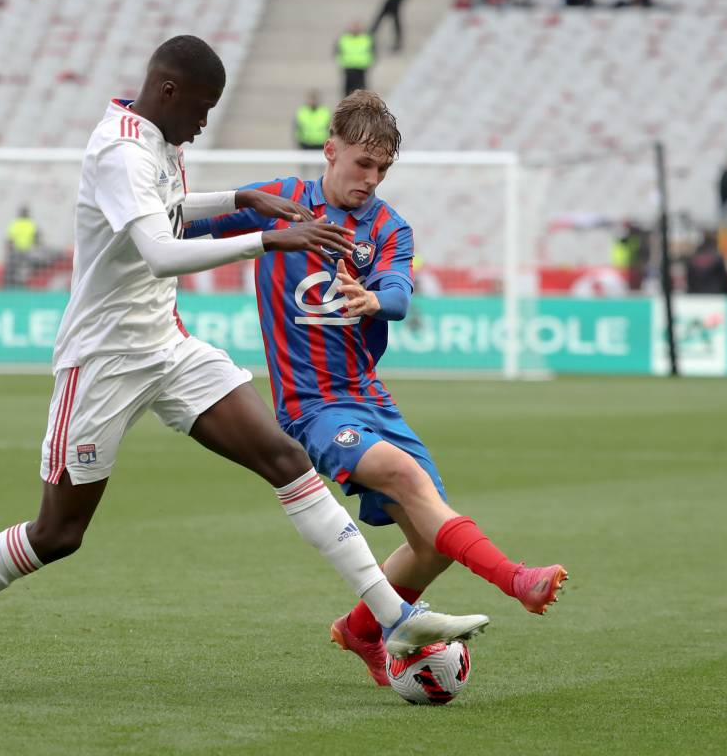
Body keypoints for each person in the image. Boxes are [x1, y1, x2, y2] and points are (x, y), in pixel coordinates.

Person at [0, 36, 487, 695]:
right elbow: (162, 252)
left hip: (168, 345)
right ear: (168, 92)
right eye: (201, 109)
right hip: (104, 361)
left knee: (285, 459)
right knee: (59, 533)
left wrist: (240, 199)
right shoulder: (120, 151)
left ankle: (394, 617)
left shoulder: (159, 139)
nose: (202, 124)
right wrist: (268, 237)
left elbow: (167, 212)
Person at [184, 90, 567, 688]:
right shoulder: (280, 200)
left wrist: (373, 299)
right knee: (409, 481)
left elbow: (399, 295)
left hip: (371, 399)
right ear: (330, 150)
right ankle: (517, 579)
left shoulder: (389, 227)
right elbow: (188, 222)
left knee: (432, 542)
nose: (371, 178)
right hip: (312, 406)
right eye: (363, 163)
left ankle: (362, 630)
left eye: (383, 169)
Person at [4, 204, 40, 287]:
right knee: (27, 269)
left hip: (16, 251)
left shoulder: (15, 224)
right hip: (28, 252)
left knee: (11, 269)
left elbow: (10, 240)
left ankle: (8, 285)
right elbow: (37, 240)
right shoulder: (31, 224)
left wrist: (9, 251)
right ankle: (23, 283)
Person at [336, 22, 374, 98]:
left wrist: (368, 62)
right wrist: (341, 62)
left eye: (357, 27)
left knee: (362, 91)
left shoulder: (366, 38)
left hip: (361, 68)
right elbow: (338, 51)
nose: (355, 29)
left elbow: (372, 51)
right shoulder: (344, 38)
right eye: (354, 27)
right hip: (349, 67)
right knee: (348, 91)